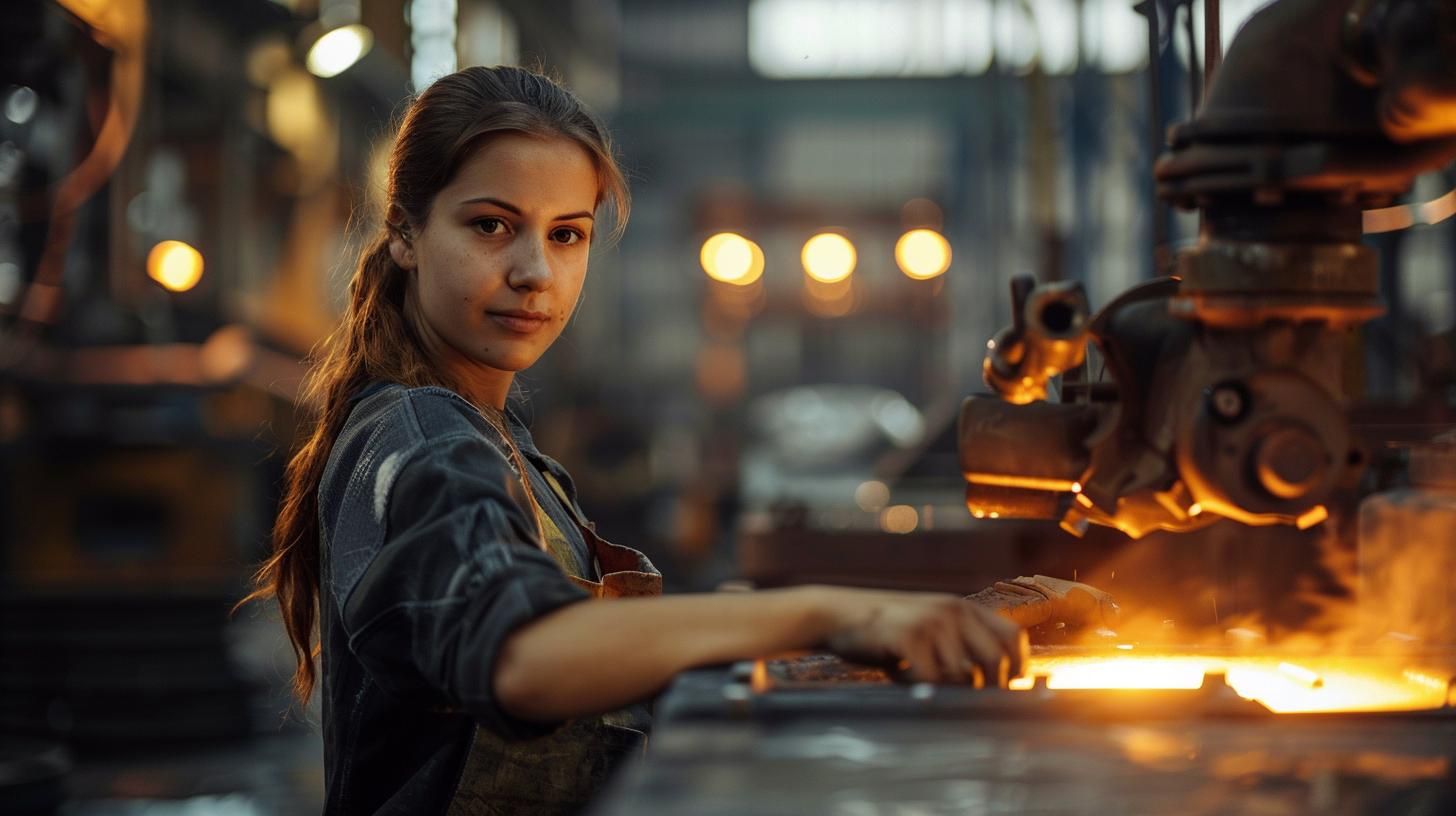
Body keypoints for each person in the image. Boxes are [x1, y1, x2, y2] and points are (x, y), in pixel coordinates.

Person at [241, 66, 1027, 816]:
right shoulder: (426, 442)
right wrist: (826, 612)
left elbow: (607, 677)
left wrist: (954, 621)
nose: (534, 271)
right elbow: (524, 657)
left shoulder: (500, 442)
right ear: (406, 233)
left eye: (567, 236)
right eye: (491, 226)